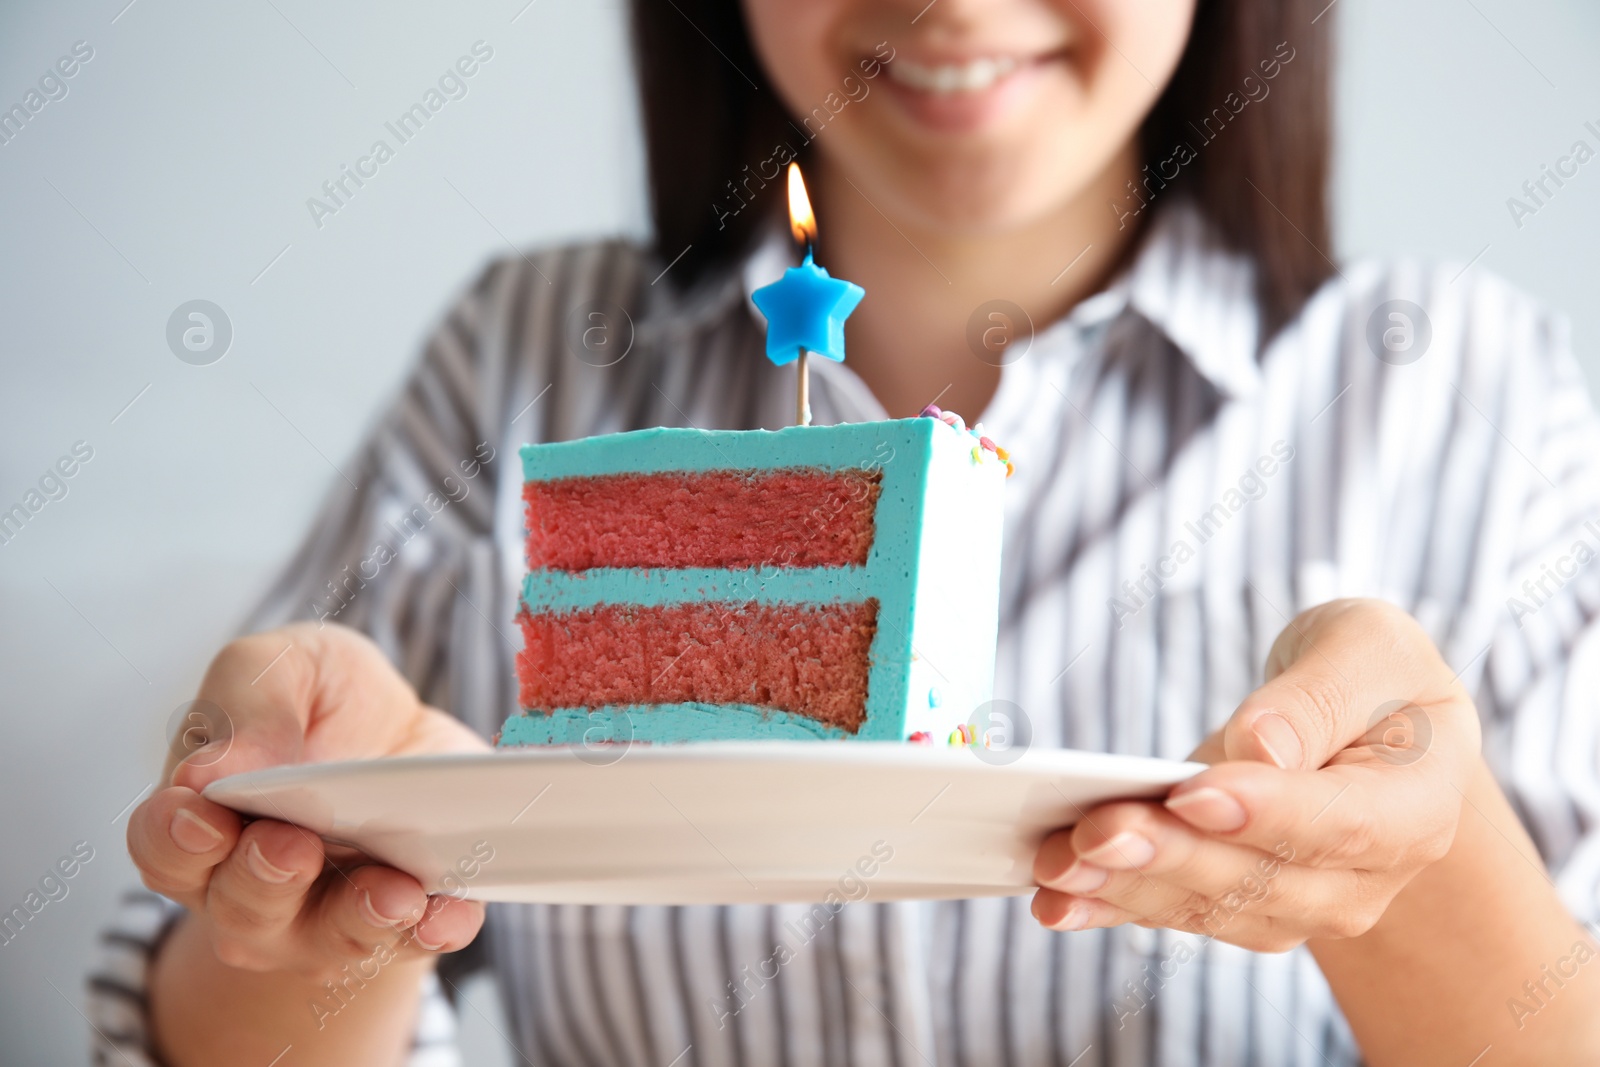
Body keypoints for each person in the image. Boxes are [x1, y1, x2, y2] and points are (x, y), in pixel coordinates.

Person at [91, 0, 1600, 1063]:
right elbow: (227, 1021)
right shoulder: (528, 347)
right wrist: (322, 888)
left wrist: (1425, 852)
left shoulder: (1464, 388)